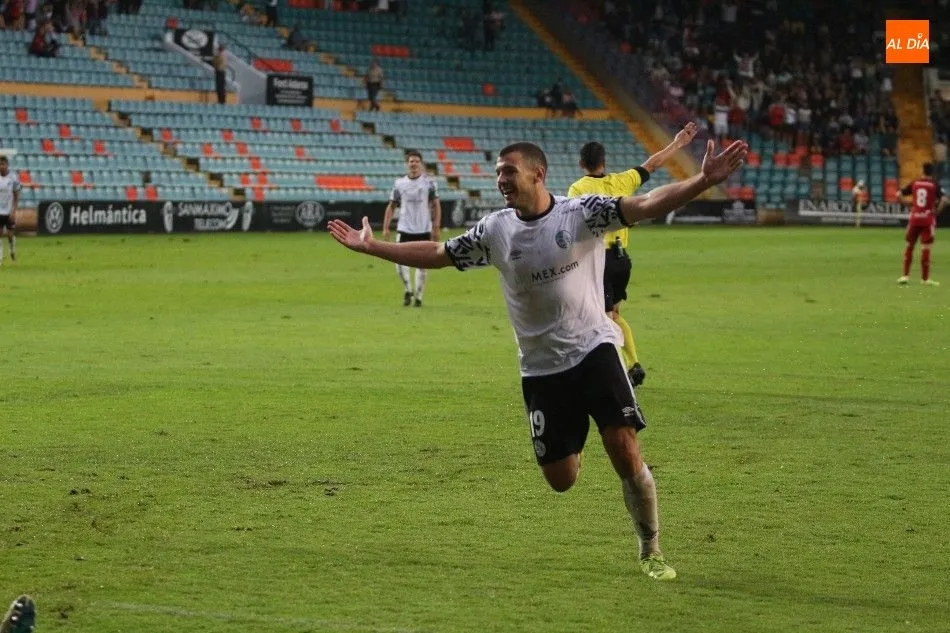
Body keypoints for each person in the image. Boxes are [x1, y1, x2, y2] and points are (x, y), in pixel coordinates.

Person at [328, 138, 748, 580]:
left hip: (595, 349)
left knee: (624, 449)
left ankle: (651, 549)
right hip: (542, 368)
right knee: (561, 479)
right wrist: (373, 247)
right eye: (497, 172)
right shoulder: (495, 230)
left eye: (508, 170)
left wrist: (701, 181)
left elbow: (644, 204)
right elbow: (439, 253)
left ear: (537, 174)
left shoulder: (582, 213)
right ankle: (579, 431)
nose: (500, 179)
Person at [567, 122, 698, 388]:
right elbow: (652, 164)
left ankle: (617, 369)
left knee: (602, 319)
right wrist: (677, 143)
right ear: (604, 162)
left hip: (599, 261)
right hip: (621, 260)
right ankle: (632, 364)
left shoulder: (578, 189)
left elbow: (577, 224)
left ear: (581, 164)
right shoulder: (622, 180)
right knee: (612, 314)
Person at [381, 150, 441, 307]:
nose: (413, 164)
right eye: (411, 161)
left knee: (423, 265)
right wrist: (386, 227)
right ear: (407, 164)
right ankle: (408, 289)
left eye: (416, 161)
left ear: (421, 164)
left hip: (423, 229)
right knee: (399, 263)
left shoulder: (429, 183)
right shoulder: (399, 183)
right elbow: (391, 205)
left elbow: (436, 204)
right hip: (404, 228)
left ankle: (419, 297)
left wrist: (436, 226)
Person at [898, 163, 946, 286]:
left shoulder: (915, 183)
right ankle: (925, 279)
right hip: (927, 219)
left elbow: (898, 194)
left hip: (915, 218)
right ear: (932, 172)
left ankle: (905, 276)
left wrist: (909, 206)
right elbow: (945, 199)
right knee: (926, 248)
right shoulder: (934, 184)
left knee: (909, 246)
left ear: (922, 171)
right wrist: (937, 211)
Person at [0, 155, 21, 266]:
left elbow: (16, 195)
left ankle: (12, 250)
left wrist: (14, 210)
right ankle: (0, 258)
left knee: (9, 235)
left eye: (3, 164)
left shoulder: (13, 178)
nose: (1, 166)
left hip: (9, 211)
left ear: (7, 165)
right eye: (0, 164)